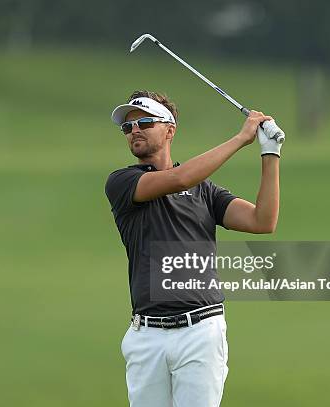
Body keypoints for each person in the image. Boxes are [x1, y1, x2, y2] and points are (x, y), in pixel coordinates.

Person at [105, 90, 282, 407]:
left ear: (169, 130)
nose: (135, 131)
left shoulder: (206, 192)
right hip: (147, 336)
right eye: (127, 127)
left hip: (200, 331)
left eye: (144, 122)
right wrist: (241, 138)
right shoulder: (122, 182)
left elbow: (262, 220)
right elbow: (179, 179)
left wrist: (270, 154)